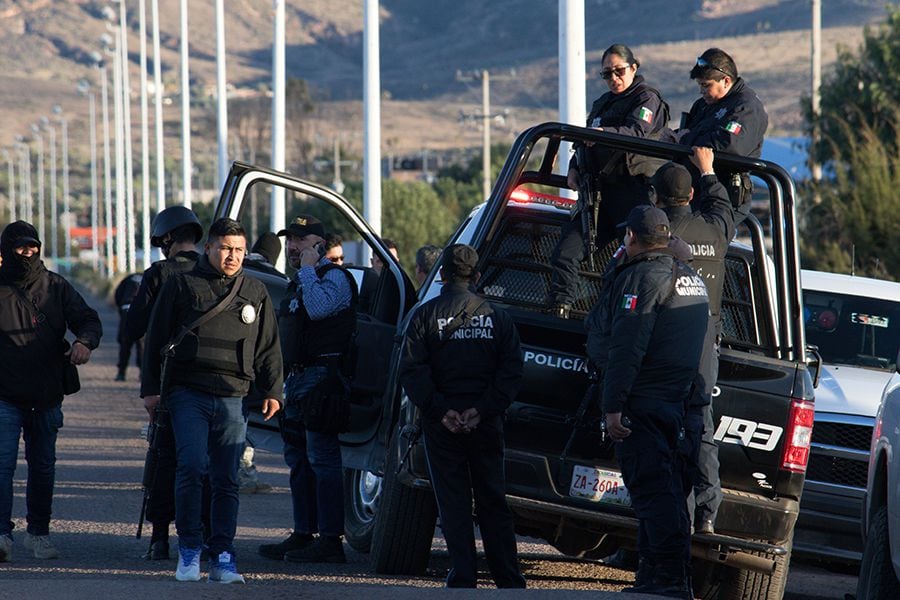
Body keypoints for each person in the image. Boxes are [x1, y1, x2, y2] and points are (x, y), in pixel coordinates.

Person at [141, 218, 283, 583]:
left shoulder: (255, 290)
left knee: (226, 478)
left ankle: (222, 555)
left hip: (234, 396)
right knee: (190, 466)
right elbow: (156, 337)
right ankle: (189, 551)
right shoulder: (181, 284)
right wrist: (151, 391)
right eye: (224, 248)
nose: (232, 256)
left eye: (238, 249)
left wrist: (272, 390)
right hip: (189, 393)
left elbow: (268, 346)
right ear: (209, 249)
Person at [585, 206, 709, 598]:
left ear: (632, 238)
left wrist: (613, 405)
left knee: (653, 493)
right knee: (664, 490)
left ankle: (669, 579)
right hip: (675, 401)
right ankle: (654, 575)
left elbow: (628, 347)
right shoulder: (688, 276)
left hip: (645, 400)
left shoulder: (644, 277)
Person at [399, 244, 526, 589]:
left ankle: (464, 576)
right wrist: (483, 409)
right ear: (478, 277)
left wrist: (442, 411)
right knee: (492, 498)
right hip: (484, 422)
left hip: (443, 423)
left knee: (453, 500)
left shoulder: (425, 315)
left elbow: (411, 370)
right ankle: (508, 578)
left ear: (441, 275)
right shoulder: (497, 317)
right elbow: (512, 370)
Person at [0, 221, 102, 562]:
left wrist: (84, 343)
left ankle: (38, 535)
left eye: (33, 247)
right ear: (6, 250)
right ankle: (1, 535)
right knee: (2, 467)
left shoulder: (56, 286)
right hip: (4, 395)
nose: (27, 253)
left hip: (46, 396)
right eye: (20, 248)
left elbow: (88, 319)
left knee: (43, 467)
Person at [258, 214, 357, 564]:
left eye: (300, 240)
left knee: (323, 460)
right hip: (298, 380)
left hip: (324, 379)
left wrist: (311, 269)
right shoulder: (300, 282)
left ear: (318, 245)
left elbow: (318, 311)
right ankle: (304, 533)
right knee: (298, 461)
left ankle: (331, 540)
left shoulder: (335, 278)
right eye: (290, 240)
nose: (292, 246)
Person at [652, 149, 741, 535]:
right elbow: (723, 206)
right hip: (706, 337)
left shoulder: (653, 235)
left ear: (655, 199)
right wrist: (708, 171)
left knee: (663, 427)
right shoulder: (715, 231)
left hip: (664, 339)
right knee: (700, 423)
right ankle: (707, 510)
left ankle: (677, 514)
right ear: (690, 197)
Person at [547, 43, 671, 318]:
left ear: (633, 68)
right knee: (565, 253)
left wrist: (603, 133)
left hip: (632, 191)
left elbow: (637, 131)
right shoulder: (602, 103)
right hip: (598, 195)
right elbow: (584, 141)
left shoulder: (646, 98)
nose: (614, 78)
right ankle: (561, 308)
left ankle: (619, 316)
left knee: (628, 263)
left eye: (619, 71)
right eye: (607, 74)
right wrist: (574, 168)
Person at [125, 204, 203, 561]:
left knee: (164, 456)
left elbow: (133, 328)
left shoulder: (158, 274)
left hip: (167, 381)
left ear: (168, 239)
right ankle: (205, 536)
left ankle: (160, 538)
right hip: (212, 381)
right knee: (206, 462)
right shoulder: (214, 271)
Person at [677, 48, 768, 212]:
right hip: (696, 189)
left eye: (706, 85)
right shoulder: (703, 105)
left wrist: (686, 140)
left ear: (726, 81)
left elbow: (730, 145)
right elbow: (689, 132)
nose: (701, 91)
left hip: (724, 195)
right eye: (700, 85)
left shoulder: (746, 107)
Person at [113, 272, 144, 381]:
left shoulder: (129, 278)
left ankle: (121, 373)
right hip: (141, 313)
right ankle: (142, 373)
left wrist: (121, 310)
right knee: (142, 345)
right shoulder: (149, 277)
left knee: (125, 344)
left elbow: (117, 294)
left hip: (126, 310)